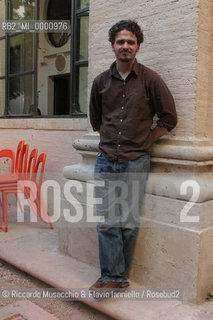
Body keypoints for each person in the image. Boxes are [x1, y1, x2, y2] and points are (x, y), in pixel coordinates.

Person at [89, 20, 177, 290]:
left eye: (130, 42)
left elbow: (169, 118)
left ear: (138, 46)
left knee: (127, 222)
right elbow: (96, 121)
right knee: (107, 222)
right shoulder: (101, 82)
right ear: (112, 45)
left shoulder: (150, 80)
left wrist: (145, 140)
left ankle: (115, 277)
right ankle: (112, 276)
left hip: (135, 162)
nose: (125, 46)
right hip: (105, 160)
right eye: (120, 42)